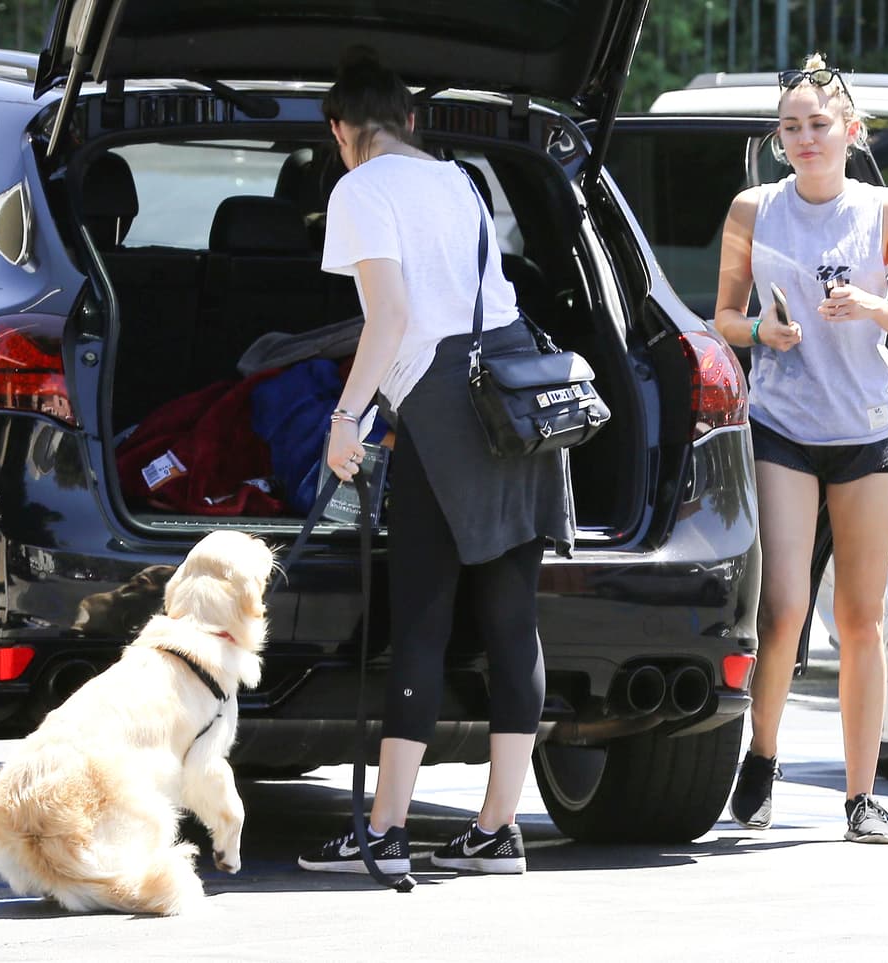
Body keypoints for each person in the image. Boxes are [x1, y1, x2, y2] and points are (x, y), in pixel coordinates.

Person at [296, 48, 573, 876]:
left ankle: (382, 831)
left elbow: (393, 318)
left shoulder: (360, 188)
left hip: (446, 412)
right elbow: (467, 303)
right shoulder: (459, 180)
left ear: (343, 131)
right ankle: (496, 830)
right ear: (411, 118)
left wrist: (345, 419)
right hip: (518, 395)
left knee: (421, 615)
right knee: (511, 616)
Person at [713, 54, 888, 843]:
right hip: (785, 423)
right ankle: (763, 756)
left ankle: (860, 797)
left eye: (818, 125)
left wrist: (872, 304)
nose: (806, 138)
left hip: (868, 428)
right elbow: (723, 321)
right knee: (782, 611)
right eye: (791, 128)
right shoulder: (754, 210)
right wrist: (760, 333)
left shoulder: (887, 211)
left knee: (862, 618)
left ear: (850, 129)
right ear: (779, 139)